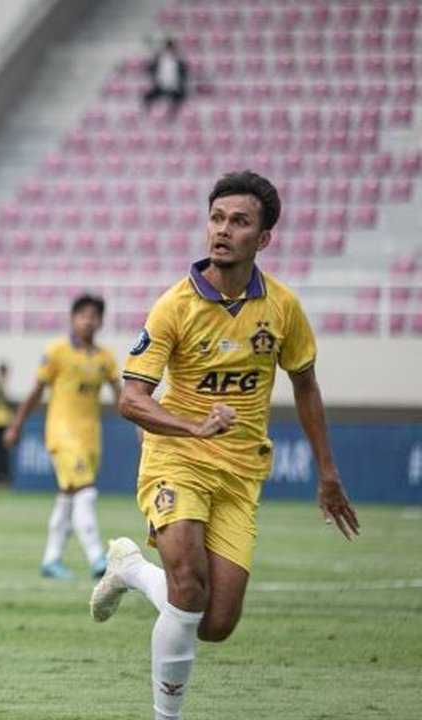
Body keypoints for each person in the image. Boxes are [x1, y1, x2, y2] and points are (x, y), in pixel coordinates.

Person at [89, 171, 360, 720]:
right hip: (177, 459)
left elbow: (306, 386)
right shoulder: (175, 305)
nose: (222, 230)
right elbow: (131, 399)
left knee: (215, 624)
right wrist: (191, 428)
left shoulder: (282, 308)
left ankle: (132, 569)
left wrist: (328, 474)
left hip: (239, 472)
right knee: (188, 587)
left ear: (263, 239)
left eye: (238, 221)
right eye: (216, 218)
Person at [3, 295, 121, 580]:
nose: (88, 320)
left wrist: (142, 424)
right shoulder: (56, 351)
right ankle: (97, 557)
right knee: (86, 491)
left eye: (94, 315)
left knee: (69, 497)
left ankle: (51, 559)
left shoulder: (105, 358)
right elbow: (36, 391)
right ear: (72, 319)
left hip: (91, 434)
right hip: (62, 432)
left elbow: (122, 395)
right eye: (83, 314)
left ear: (101, 321)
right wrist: (17, 424)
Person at [142, 38, 189, 118]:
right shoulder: (159, 59)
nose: (168, 50)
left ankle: (171, 115)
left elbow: (183, 73)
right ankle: (148, 114)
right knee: (147, 97)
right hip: (161, 85)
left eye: (170, 48)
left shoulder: (178, 60)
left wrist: (178, 82)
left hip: (174, 86)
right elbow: (151, 69)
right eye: (167, 48)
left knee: (180, 98)